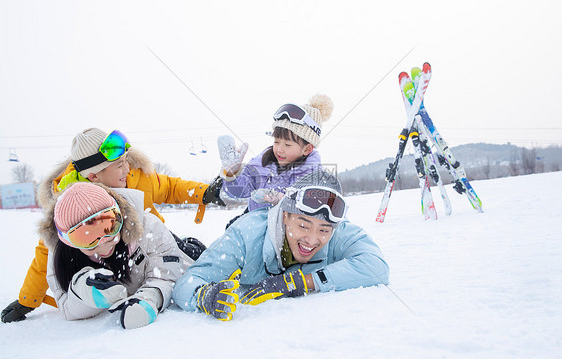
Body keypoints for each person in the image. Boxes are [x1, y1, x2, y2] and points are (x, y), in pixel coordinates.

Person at [1, 128, 224, 323]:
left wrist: (204, 192)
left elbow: (168, 186)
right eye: (119, 165)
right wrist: (28, 300)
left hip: (153, 241)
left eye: (126, 160)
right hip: (111, 257)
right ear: (94, 175)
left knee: (191, 252)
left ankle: (212, 268)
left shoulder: (134, 176)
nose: (127, 169)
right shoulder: (73, 206)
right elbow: (46, 253)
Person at [172, 170, 390, 321]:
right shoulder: (245, 235)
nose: (312, 240)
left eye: (323, 230)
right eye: (303, 225)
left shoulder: (337, 232)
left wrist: (301, 282)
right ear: (285, 216)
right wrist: (205, 296)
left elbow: (376, 266)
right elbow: (186, 283)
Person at [39, 182, 192, 329]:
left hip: (184, 253)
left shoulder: (149, 228)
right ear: (68, 242)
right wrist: (86, 294)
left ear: (120, 215)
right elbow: (67, 307)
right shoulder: (60, 257)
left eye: (109, 227)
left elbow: (167, 276)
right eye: (87, 238)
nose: (103, 244)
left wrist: (149, 298)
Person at [217, 94, 333, 226]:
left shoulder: (312, 177)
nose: (279, 149)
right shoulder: (262, 163)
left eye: (287, 144)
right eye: (276, 142)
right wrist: (232, 173)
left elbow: (312, 214)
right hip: (254, 226)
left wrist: (280, 199)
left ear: (307, 149)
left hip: (283, 235)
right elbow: (239, 191)